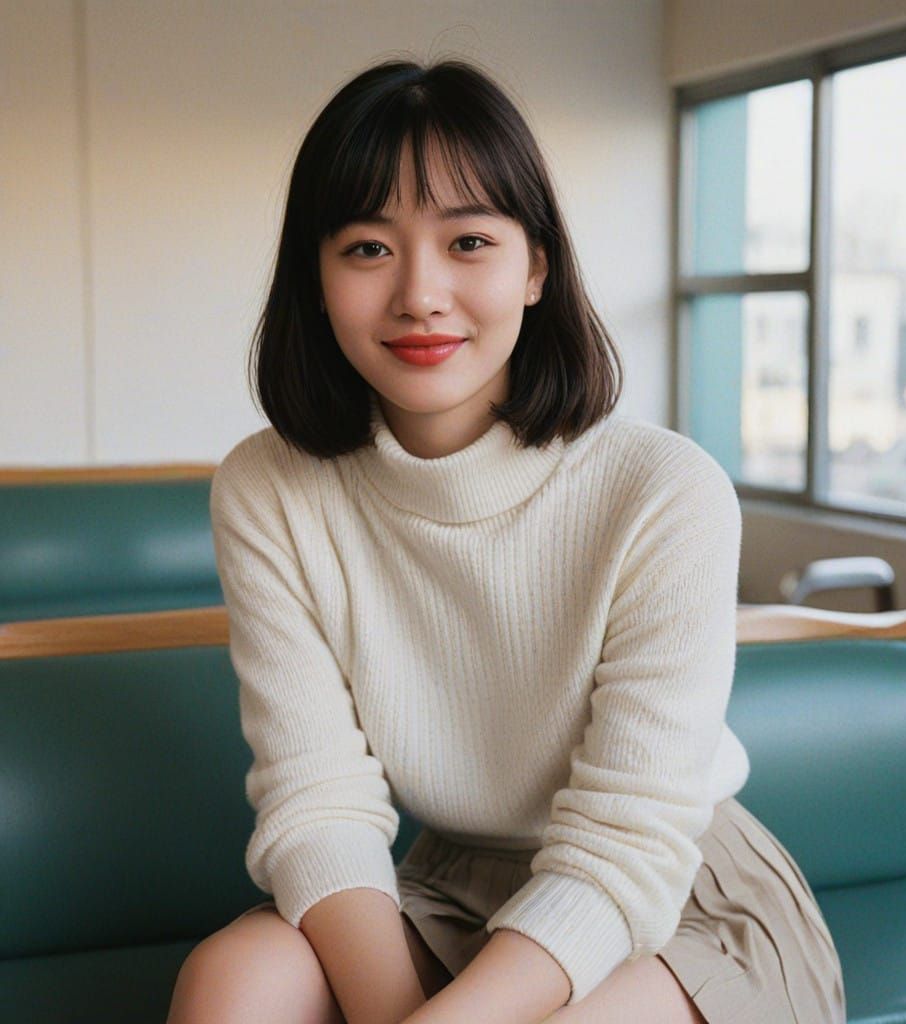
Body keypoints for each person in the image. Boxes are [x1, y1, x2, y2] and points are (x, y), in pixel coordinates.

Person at [166, 57, 846, 1024]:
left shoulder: (664, 489)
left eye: (469, 241)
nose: (420, 295)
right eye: (366, 248)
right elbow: (317, 801)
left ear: (535, 268)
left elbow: (629, 841)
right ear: (315, 278)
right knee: (234, 983)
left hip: (674, 892)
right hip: (449, 883)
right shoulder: (268, 488)